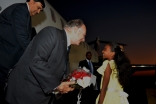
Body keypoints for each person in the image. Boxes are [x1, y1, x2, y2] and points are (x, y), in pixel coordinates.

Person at [5, 19, 87, 104]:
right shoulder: (51, 32)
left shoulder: (67, 47)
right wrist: (57, 86)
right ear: (74, 30)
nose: (84, 40)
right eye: (83, 35)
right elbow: (37, 61)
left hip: (41, 96)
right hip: (26, 93)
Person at [0, 0, 45, 102]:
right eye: (38, 8)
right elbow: (22, 36)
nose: (38, 12)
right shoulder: (21, 9)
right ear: (32, 1)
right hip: (3, 56)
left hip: (7, 57)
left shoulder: (23, 12)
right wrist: (33, 54)